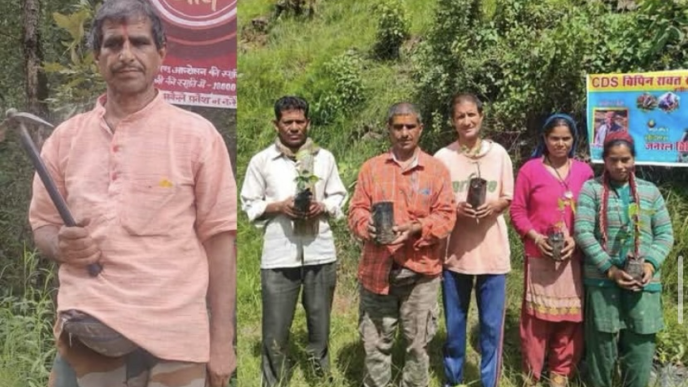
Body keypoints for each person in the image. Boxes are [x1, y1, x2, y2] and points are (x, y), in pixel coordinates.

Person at [29, 1, 237, 386]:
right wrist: (60, 245)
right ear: (97, 56)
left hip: (176, 341)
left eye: (139, 42)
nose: (126, 55)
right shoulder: (65, 139)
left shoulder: (198, 137)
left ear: (161, 54)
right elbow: (42, 224)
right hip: (88, 336)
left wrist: (222, 341)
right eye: (112, 44)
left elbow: (220, 242)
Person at [240, 96, 347, 386]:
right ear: (276, 124)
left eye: (300, 121)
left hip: (320, 253)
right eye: (288, 122)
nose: (295, 127)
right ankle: (272, 382)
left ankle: (320, 379)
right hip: (279, 256)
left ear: (308, 122)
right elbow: (249, 203)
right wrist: (278, 206)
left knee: (320, 328)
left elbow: (339, 195)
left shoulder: (324, 158)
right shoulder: (262, 161)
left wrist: (322, 206)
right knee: (275, 330)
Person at [348, 102, 456, 387]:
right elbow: (357, 209)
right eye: (398, 127)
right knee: (375, 346)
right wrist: (365, 226)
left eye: (410, 127)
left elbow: (447, 216)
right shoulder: (371, 169)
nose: (404, 133)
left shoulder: (436, 170)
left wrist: (417, 228)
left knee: (418, 346)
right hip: (377, 272)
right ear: (389, 130)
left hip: (421, 273)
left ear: (421, 129)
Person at [574, 130, 674, 387]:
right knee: (601, 348)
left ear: (634, 159)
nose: (620, 166)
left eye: (625, 159)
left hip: (644, 284)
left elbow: (665, 233)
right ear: (604, 160)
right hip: (601, 281)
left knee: (641, 346)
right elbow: (583, 232)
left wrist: (651, 264)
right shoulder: (591, 189)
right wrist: (610, 269)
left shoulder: (650, 192)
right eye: (613, 160)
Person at [434, 93, 514, 387]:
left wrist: (494, 206)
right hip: (455, 256)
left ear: (481, 116)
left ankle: (488, 382)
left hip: (493, 255)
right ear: (452, 121)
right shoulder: (443, 157)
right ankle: (451, 380)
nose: (466, 121)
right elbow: (436, 204)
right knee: (455, 328)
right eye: (460, 116)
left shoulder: (499, 154)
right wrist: (456, 209)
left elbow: (507, 197)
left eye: (471, 115)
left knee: (491, 328)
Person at [510, 114, 594, 387]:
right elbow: (518, 211)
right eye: (554, 138)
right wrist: (535, 236)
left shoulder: (584, 172)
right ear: (545, 139)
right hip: (539, 256)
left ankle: (560, 374)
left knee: (569, 319)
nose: (560, 143)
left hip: (573, 257)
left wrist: (576, 240)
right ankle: (531, 375)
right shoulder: (530, 170)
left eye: (566, 139)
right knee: (536, 320)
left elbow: (592, 213)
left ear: (574, 140)